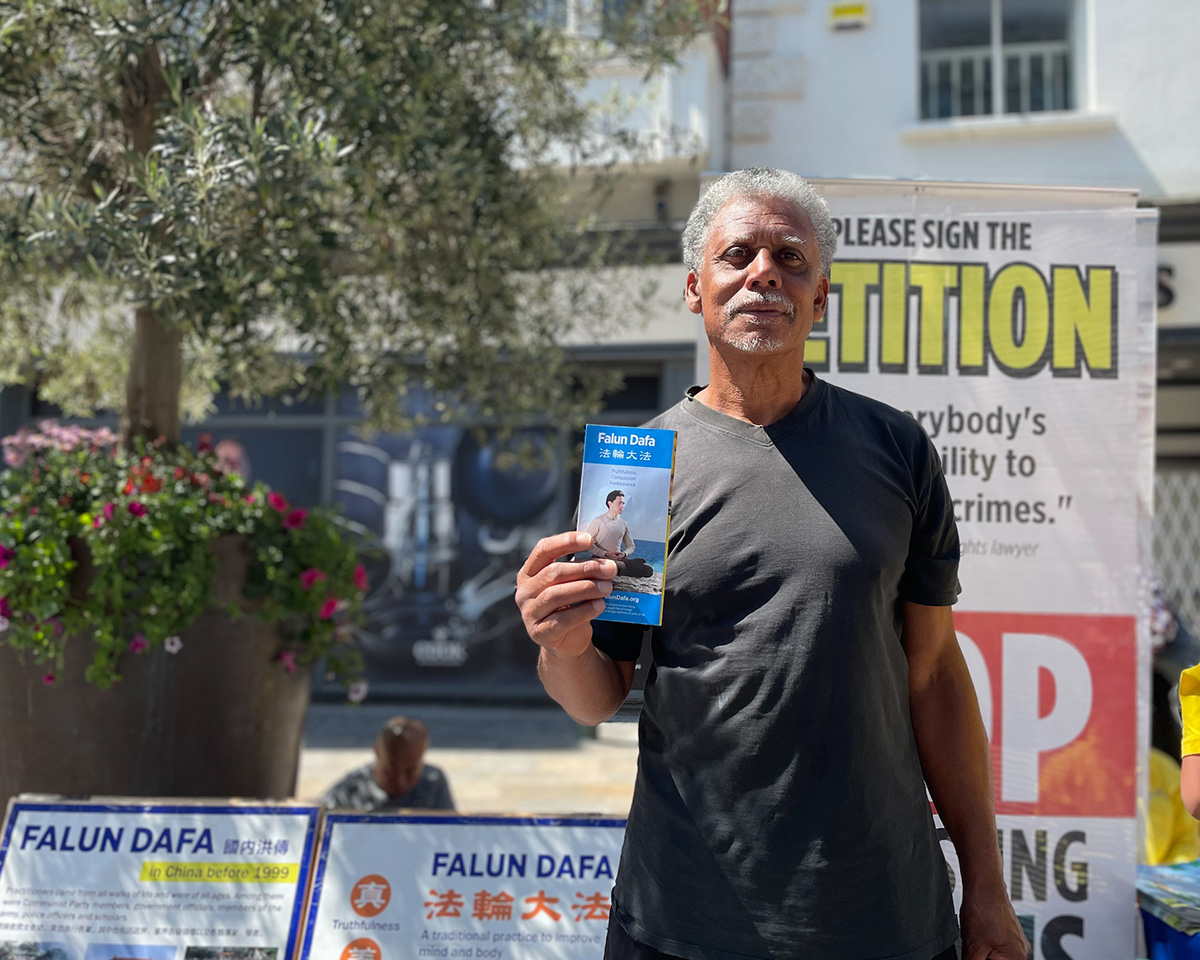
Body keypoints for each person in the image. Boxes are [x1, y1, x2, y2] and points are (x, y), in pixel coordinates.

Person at [516, 168, 1028, 960]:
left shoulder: (897, 448)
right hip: (682, 919)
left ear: (819, 299)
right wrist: (561, 643)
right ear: (696, 288)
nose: (764, 273)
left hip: (882, 917)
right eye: (738, 254)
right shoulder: (638, 470)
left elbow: (933, 675)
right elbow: (596, 698)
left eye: (791, 258)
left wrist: (987, 886)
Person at [320, 715, 454, 811]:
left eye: (410, 771)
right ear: (377, 753)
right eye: (391, 770)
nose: (400, 781)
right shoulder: (349, 793)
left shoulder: (433, 781)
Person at [586, 490, 653, 578]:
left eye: (623, 503)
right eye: (619, 503)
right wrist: (605, 553)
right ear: (610, 503)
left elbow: (631, 546)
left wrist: (624, 554)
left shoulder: (623, 524)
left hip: (619, 558)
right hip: (601, 558)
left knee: (648, 570)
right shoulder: (598, 521)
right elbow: (588, 544)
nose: (622, 506)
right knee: (615, 566)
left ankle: (627, 566)